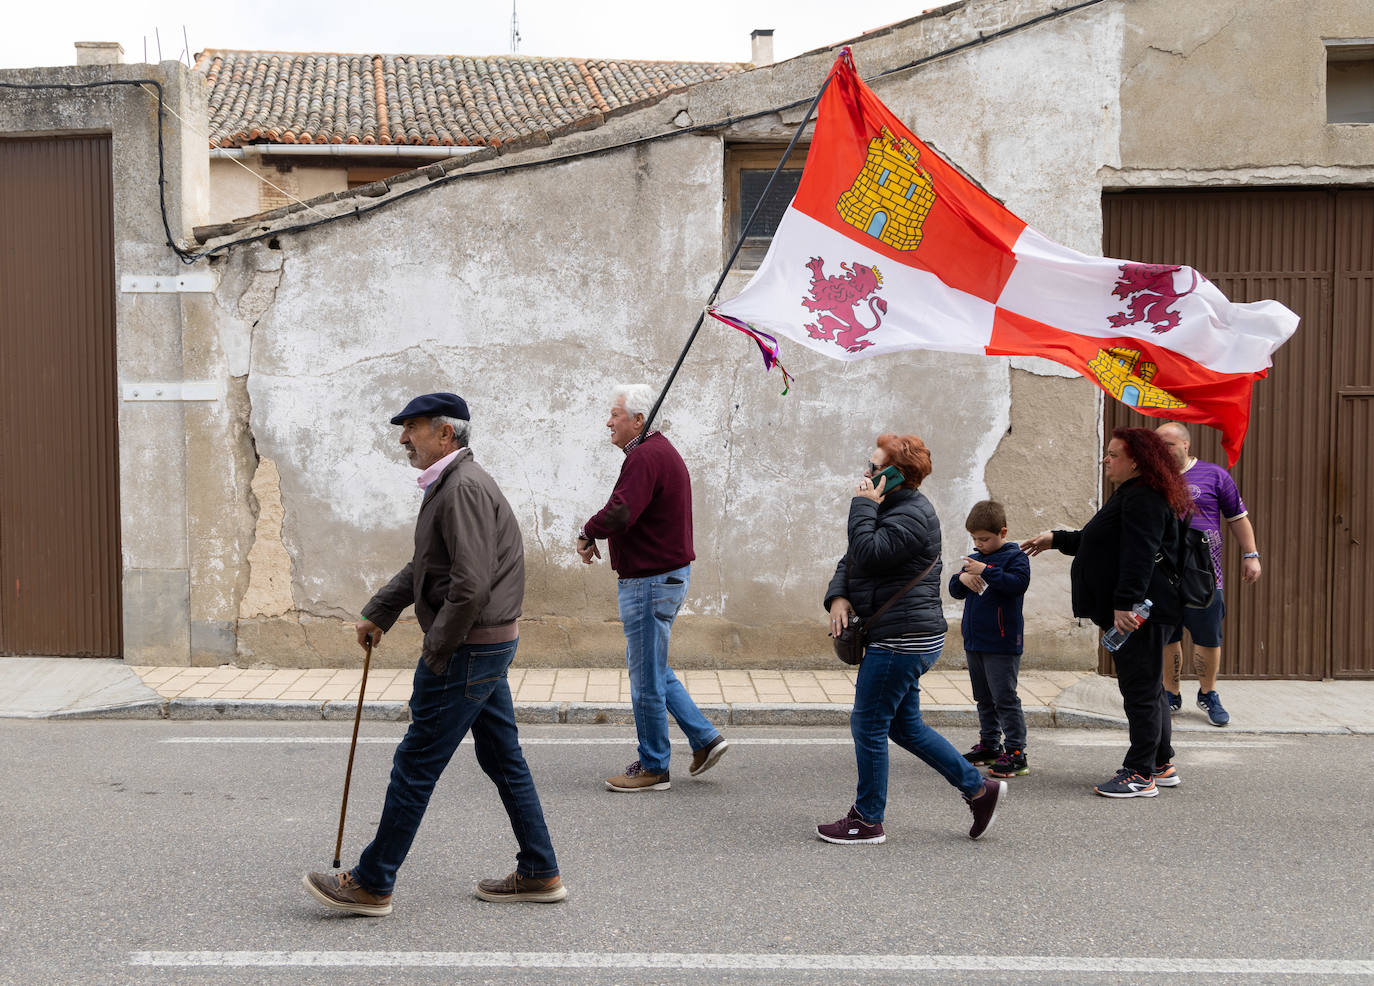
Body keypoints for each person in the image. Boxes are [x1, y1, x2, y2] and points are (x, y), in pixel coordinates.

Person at [304, 392, 566, 916]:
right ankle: (539, 870)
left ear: (446, 434)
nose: (404, 437)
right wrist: (381, 609)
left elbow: (468, 585)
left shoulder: (461, 488)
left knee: (416, 762)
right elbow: (430, 565)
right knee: (501, 756)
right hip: (484, 646)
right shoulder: (453, 483)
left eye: (414, 427)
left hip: (468, 649)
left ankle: (373, 882)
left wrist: (436, 649)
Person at [818, 434, 1004, 845]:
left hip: (902, 639)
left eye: (873, 466)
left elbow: (866, 551)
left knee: (867, 723)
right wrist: (839, 595)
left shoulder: (910, 515)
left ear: (892, 475)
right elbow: (853, 558)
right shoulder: (892, 507)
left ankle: (867, 820)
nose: (865, 473)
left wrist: (863, 503)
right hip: (903, 633)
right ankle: (978, 789)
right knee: (905, 726)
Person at [1022, 426, 1188, 798]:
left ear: (1136, 461)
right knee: (1149, 688)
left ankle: (1140, 773)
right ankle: (1160, 762)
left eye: (1113, 454)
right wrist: (1056, 539)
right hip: (1143, 608)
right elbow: (1102, 540)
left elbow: (1139, 556)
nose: (1106, 459)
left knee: (1140, 690)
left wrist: (1124, 605)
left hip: (1139, 612)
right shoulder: (1134, 493)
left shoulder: (1144, 497)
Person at [577, 383, 727, 792]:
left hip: (649, 582)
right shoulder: (655, 451)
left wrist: (588, 531)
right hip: (664, 578)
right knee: (654, 666)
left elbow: (621, 510)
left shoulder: (645, 456)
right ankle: (705, 738)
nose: (608, 421)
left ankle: (653, 766)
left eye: (616, 414)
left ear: (639, 420)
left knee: (644, 677)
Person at [1155, 422, 1262, 727]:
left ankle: (1208, 693)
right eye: (1158, 445)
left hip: (1204, 575)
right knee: (1167, 635)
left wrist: (1251, 554)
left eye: (1169, 445)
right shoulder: (1150, 479)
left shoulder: (1215, 475)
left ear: (1186, 445)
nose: (1163, 451)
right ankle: (1170, 693)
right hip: (1162, 572)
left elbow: (1238, 519)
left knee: (1207, 638)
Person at [948, 500, 1032, 778]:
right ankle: (990, 745)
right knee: (983, 698)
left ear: (1003, 533)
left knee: (1004, 698)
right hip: (975, 641)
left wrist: (985, 571)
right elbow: (955, 589)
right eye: (974, 539)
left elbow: (1017, 584)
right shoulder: (975, 559)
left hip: (1002, 643)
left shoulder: (1015, 557)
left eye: (984, 538)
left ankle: (1016, 753)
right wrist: (961, 578)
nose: (979, 544)